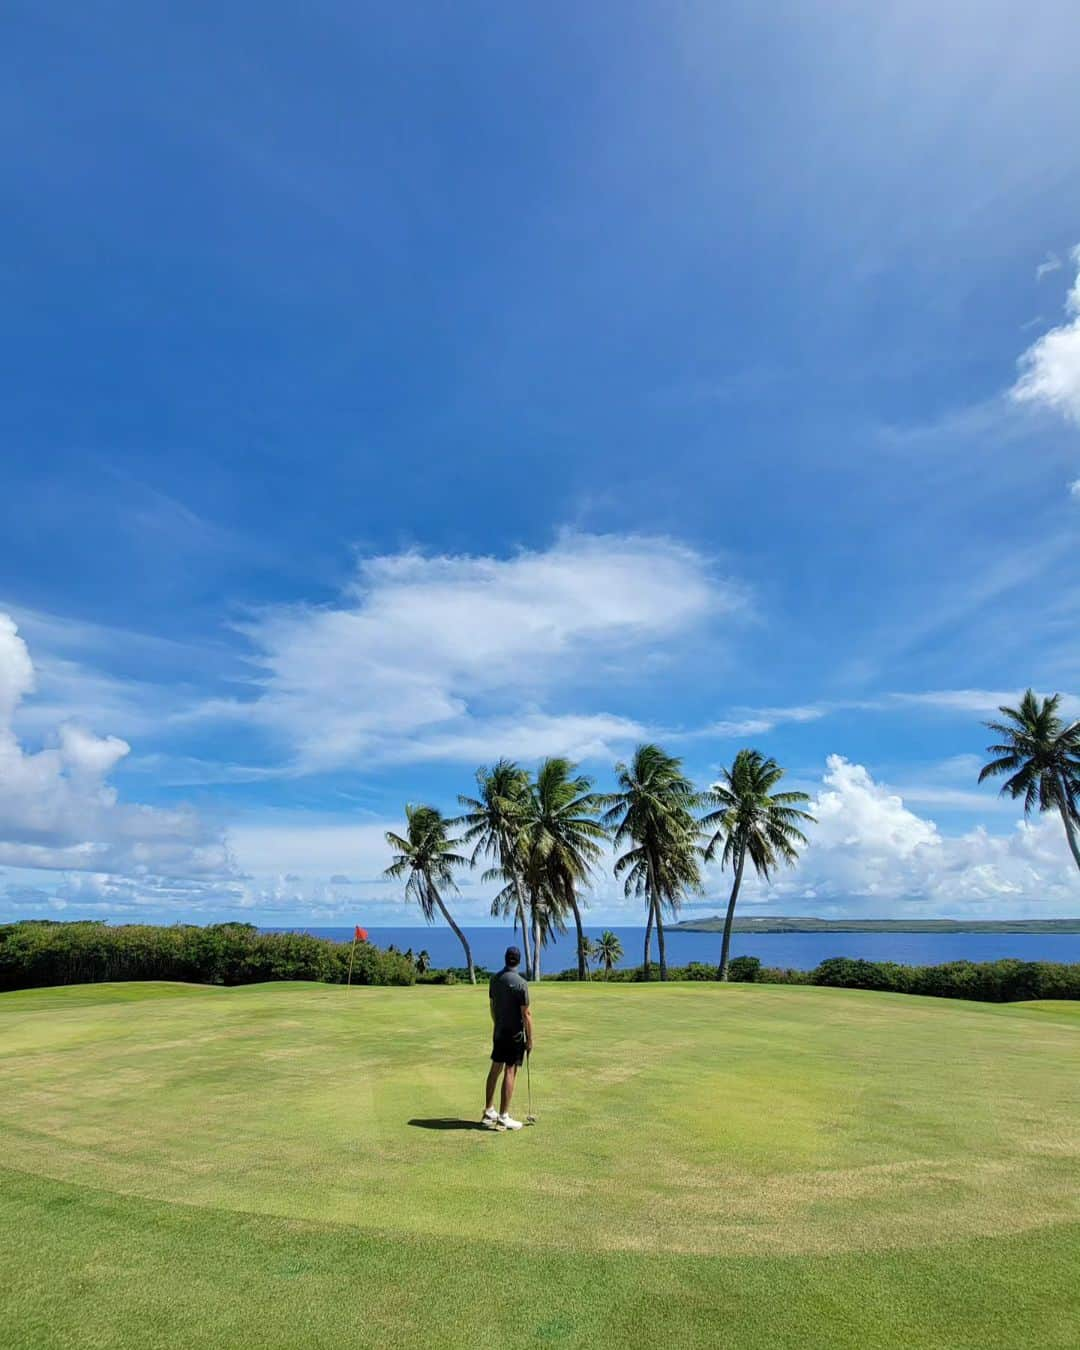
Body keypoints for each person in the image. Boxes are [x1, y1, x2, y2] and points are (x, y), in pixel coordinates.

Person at [482, 946, 533, 1131]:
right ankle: (503, 1116)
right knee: (510, 1070)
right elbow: (526, 1014)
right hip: (514, 1034)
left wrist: (497, 1024)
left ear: (505, 959)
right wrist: (530, 1040)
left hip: (499, 1030)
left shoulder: (494, 980)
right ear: (518, 961)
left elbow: (492, 1006)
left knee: (496, 1067)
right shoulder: (521, 983)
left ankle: (489, 1110)